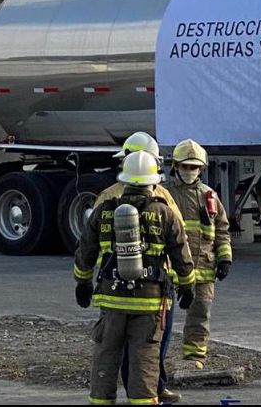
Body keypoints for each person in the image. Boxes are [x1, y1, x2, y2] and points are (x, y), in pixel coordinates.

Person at [74, 151, 196, 405]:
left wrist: (83, 282)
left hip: (112, 299)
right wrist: (188, 286)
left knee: (106, 355)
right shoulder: (164, 213)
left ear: (125, 180)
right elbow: (181, 255)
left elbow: (85, 250)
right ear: (153, 182)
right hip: (149, 302)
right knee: (145, 358)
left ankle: (100, 402)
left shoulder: (104, 211)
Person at [165, 139, 232, 369]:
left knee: (200, 313)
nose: (189, 171)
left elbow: (222, 229)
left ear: (201, 169)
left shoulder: (209, 196)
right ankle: (154, 358)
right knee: (160, 315)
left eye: (194, 167)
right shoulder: (165, 194)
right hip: (171, 267)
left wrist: (225, 258)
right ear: (176, 166)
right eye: (185, 166)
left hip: (203, 266)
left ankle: (195, 358)